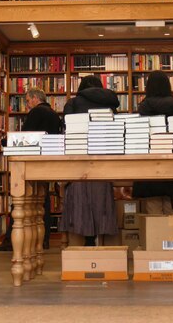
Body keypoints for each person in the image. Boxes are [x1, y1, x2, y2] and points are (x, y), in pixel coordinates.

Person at [0, 87, 62, 251]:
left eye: (27, 100)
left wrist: (1, 142)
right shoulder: (54, 115)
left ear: (34, 98)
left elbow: (24, 139)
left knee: (21, 199)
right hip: (48, 161)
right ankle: (42, 240)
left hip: (32, 162)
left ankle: (14, 240)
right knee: (42, 201)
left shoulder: (37, 113)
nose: (26, 104)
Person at [60, 75, 119, 246]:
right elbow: (117, 127)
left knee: (80, 195)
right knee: (102, 195)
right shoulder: (110, 101)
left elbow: (66, 128)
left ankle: (85, 238)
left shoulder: (74, 103)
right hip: (104, 156)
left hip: (79, 155)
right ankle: (101, 238)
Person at [133, 70, 173, 208]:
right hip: (172, 163)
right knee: (171, 214)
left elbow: (139, 133)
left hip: (149, 163)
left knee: (152, 217)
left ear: (149, 86)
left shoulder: (144, 106)